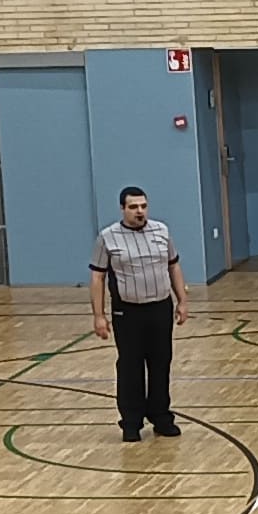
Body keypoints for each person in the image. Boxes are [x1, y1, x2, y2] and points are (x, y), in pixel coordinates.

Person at [88, 185, 187, 442]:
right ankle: (131, 422)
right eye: (133, 207)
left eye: (143, 206)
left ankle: (161, 417)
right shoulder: (107, 237)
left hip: (160, 307)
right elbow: (97, 278)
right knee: (130, 366)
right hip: (128, 311)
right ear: (123, 208)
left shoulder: (162, 231)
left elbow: (174, 267)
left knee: (161, 363)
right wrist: (99, 315)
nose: (139, 211)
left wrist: (182, 300)